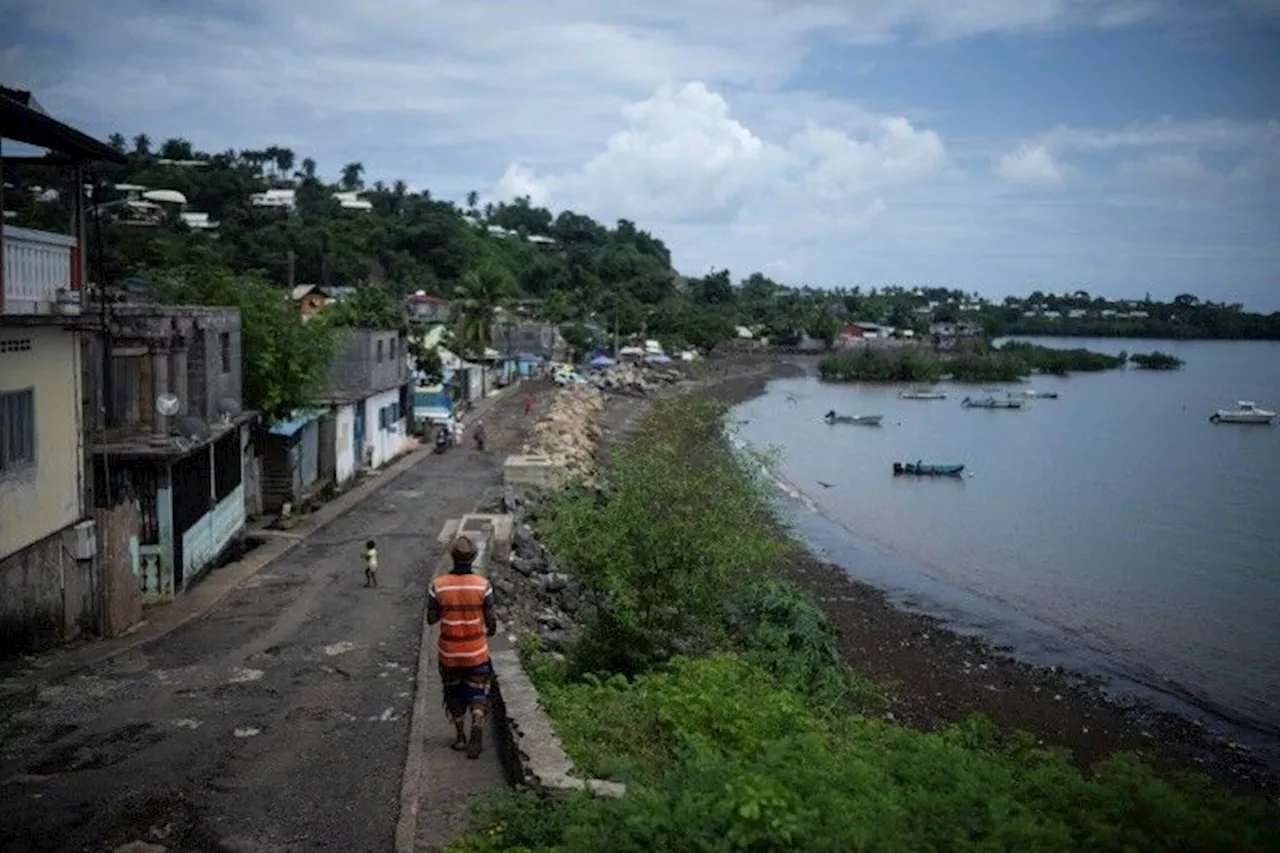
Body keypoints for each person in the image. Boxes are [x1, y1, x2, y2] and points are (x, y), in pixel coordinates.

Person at [427, 535, 497, 758]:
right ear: (474, 557)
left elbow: (431, 618)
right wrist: (489, 631)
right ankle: (477, 726)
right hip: (476, 651)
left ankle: (460, 737)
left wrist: (446, 607)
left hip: (449, 653)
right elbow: (491, 622)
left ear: (452, 556)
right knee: (478, 692)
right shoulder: (483, 585)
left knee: (453, 693)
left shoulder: (438, 585)